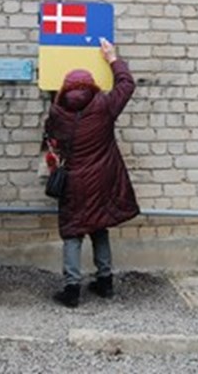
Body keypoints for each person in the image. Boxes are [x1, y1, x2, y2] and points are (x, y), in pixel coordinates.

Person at [43, 38, 139, 308]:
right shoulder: (105, 107)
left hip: (73, 182)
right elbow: (127, 85)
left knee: (73, 231)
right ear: (93, 86)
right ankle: (105, 282)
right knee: (99, 226)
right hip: (103, 179)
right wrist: (112, 58)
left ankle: (72, 288)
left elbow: (52, 137)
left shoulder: (57, 114)